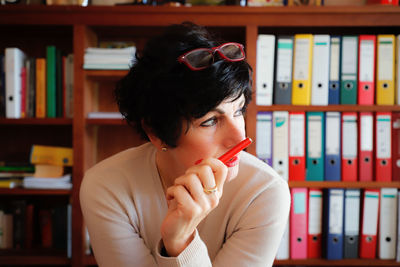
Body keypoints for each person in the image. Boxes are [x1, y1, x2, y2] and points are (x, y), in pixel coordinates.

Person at [80, 22, 290, 267]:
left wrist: (181, 242)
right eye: (210, 120)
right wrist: (179, 238)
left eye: (239, 110)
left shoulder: (264, 193)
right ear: (156, 132)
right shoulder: (106, 187)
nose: (239, 138)